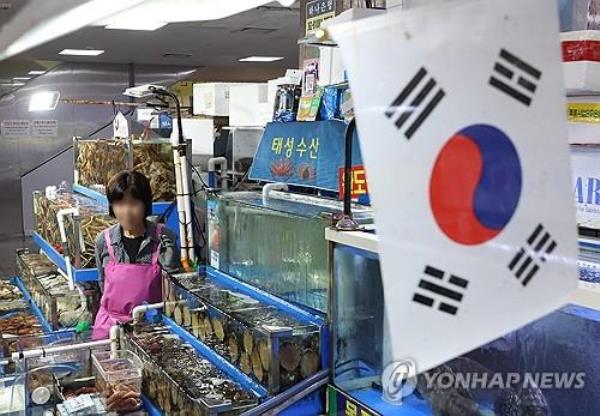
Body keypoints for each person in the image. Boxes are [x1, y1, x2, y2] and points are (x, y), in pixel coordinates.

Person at [92, 170, 180, 339]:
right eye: (120, 203)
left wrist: (172, 268)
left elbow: (175, 293)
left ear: (145, 204)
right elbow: (102, 285)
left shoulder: (163, 238)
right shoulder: (104, 241)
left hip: (151, 330)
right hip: (110, 329)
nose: (126, 211)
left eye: (133, 203)